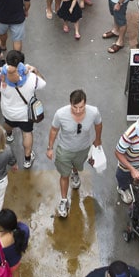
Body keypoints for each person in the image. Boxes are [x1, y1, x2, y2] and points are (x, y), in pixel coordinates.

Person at [47, 89, 102, 218]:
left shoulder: (93, 112)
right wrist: (50, 148)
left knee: (77, 165)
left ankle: (75, 173)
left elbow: (98, 125)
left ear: (86, 104)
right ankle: (64, 200)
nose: (78, 110)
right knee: (64, 175)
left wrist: (98, 139)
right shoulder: (60, 114)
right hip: (64, 150)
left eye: (81, 107)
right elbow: (54, 130)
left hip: (83, 149)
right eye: (74, 107)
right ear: (70, 103)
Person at [0, 50, 46, 169]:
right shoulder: (31, 78)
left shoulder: (1, 79)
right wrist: (35, 70)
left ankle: (9, 135)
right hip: (26, 115)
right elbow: (43, 83)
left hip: (8, 112)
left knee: (8, 124)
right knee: (27, 134)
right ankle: (27, 159)